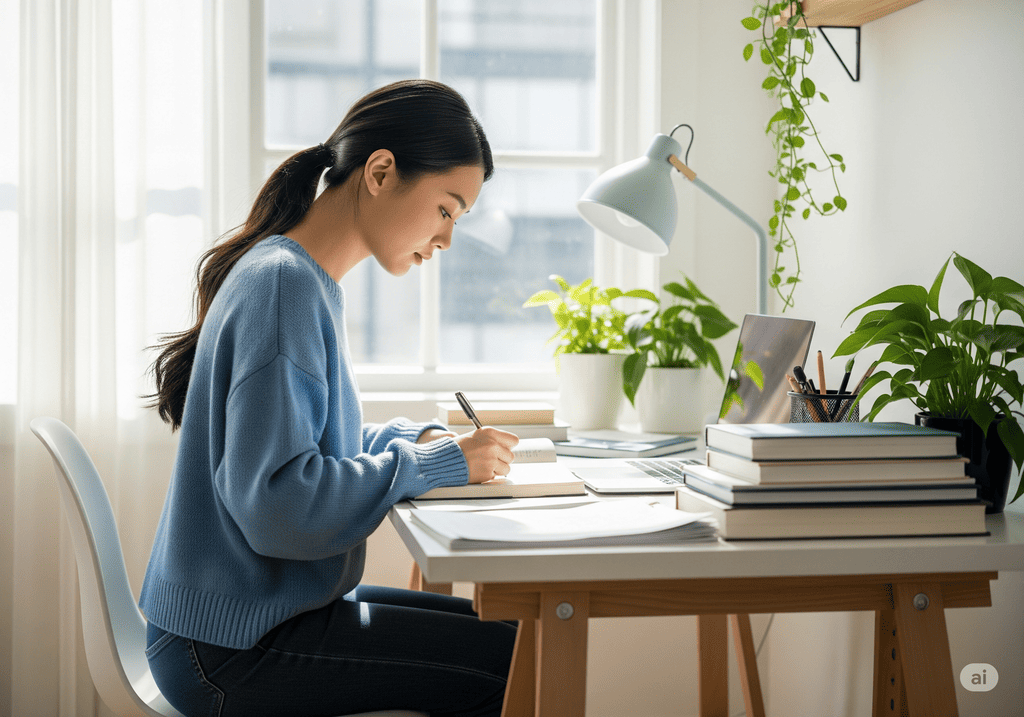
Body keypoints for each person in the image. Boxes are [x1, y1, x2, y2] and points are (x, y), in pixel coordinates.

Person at [140, 79, 519, 717]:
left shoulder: (297, 278)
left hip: (240, 624)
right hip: (229, 649)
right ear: (380, 172)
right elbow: (279, 505)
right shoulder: (285, 287)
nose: (448, 238)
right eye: (446, 209)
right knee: (510, 662)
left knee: (511, 634)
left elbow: (316, 448)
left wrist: (420, 443)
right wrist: (431, 466)